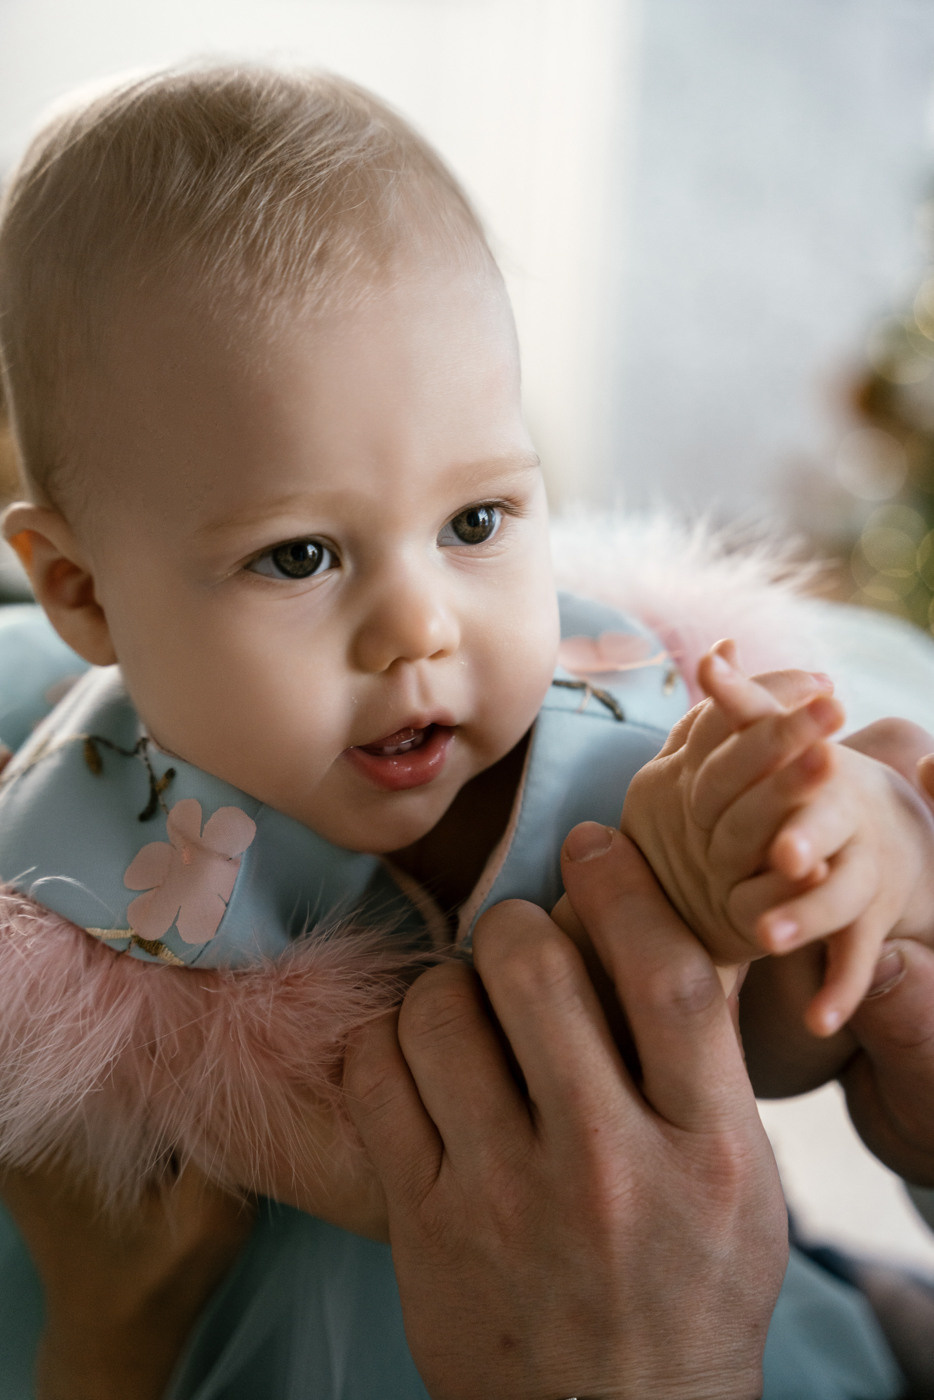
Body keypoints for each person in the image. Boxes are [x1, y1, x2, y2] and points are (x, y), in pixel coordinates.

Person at [0, 62, 922, 1396]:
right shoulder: (77, 877)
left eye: (474, 521)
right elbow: (433, 1178)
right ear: (83, 593)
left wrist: (797, 884)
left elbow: (765, 1056)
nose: (419, 628)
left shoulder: (622, 721)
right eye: (301, 555)